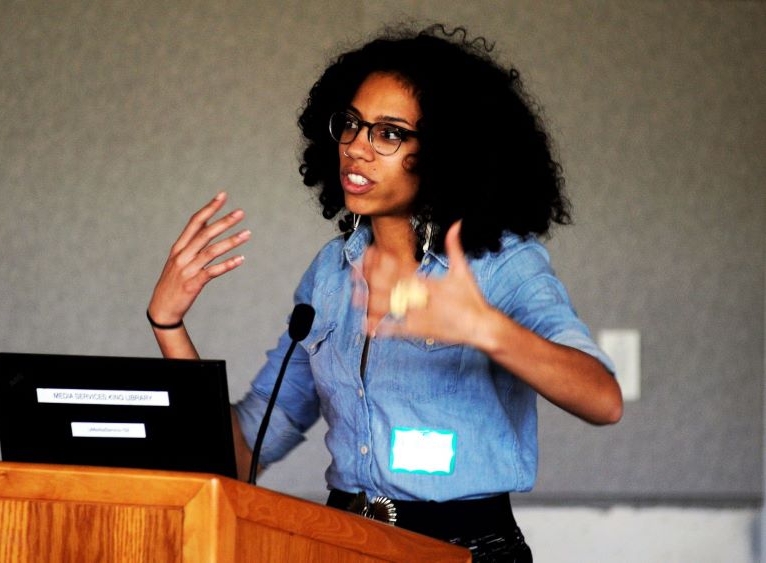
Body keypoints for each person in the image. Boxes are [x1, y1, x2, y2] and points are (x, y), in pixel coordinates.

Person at [147, 24, 622, 562]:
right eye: (351, 125)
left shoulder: (500, 265)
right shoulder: (330, 272)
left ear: (448, 151)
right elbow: (240, 453)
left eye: (389, 134)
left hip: (466, 549)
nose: (357, 148)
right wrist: (169, 325)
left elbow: (602, 400)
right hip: (347, 546)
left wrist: (484, 329)